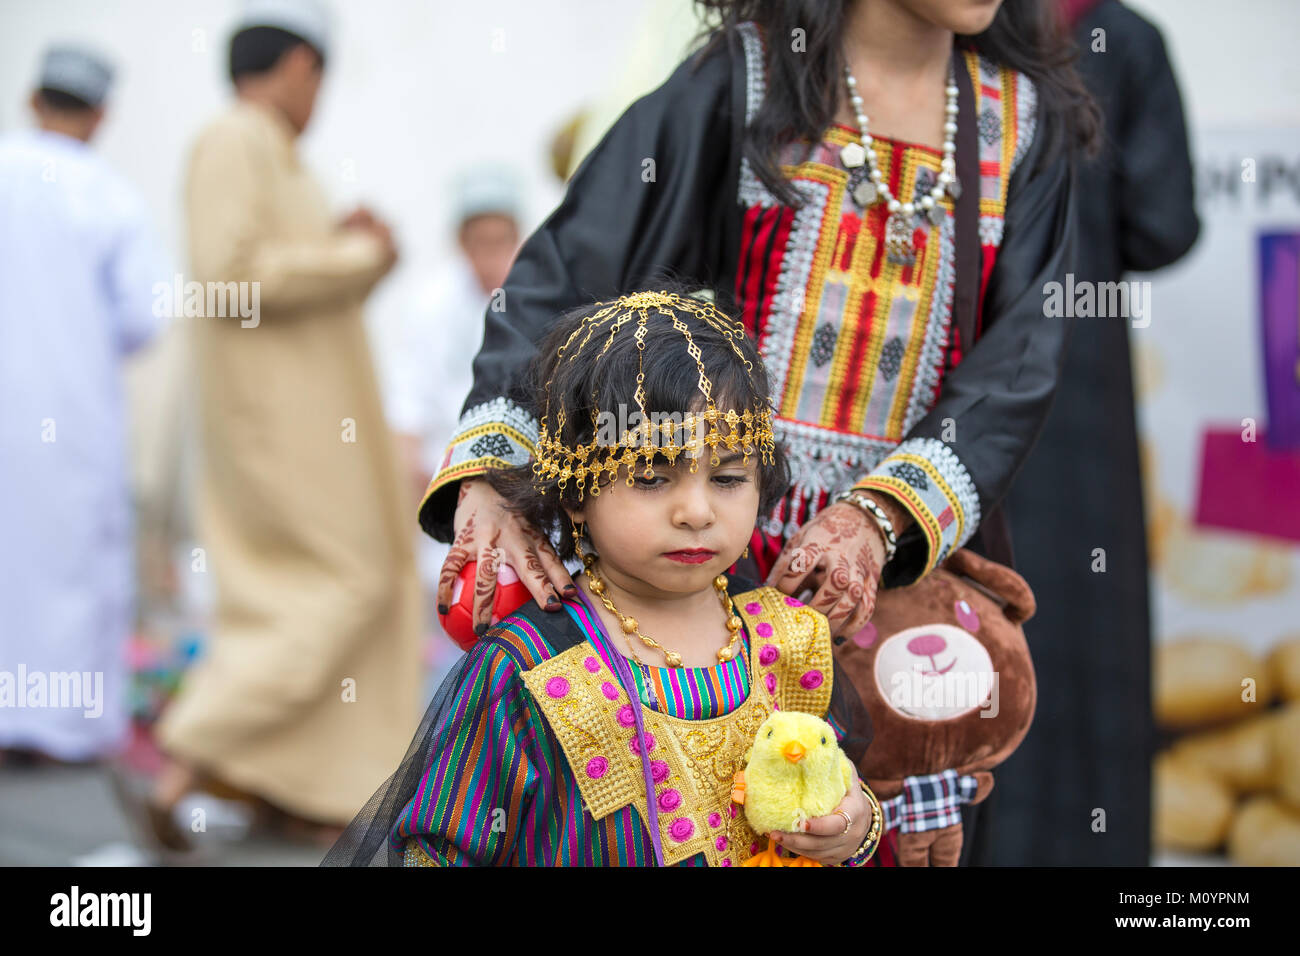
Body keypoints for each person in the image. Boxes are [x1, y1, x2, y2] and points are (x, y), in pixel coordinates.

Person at [415, 0, 1095, 864]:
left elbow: (1020, 365)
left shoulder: (1021, 121)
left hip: (901, 565)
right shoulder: (747, 78)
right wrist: (493, 475)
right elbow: (567, 270)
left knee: (846, 832)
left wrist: (874, 521)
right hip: (705, 554)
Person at [324, 289, 882, 866]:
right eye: (650, 478)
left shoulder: (789, 639)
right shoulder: (527, 668)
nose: (697, 511)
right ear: (574, 495)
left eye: (727, 477)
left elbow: (834, 781)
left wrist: (852, 825)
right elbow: (435, 849)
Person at [147, 0, 422, 849]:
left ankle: (293, 788)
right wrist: (360, 256)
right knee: (341, 583)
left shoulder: (277, 155)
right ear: (301, 65)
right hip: (277, 429)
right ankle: (189, 755)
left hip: (312, 424)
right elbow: (229, 276)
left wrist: (351, 255)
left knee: (343, 582)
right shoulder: (236, 137)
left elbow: (294, 284)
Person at [993, 0, 1199, 865]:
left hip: (967, 380)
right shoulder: (1126, 41)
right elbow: (1165, 224)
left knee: (975, 621)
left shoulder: (958, 36)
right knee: (1091, 626)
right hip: (1083, 392)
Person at [0, 44, 168, 764]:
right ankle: (62, 731)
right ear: (100, 115)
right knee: (72, 564)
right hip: (72, 417)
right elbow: (142, 317)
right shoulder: (110, 195)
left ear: (32, 101)